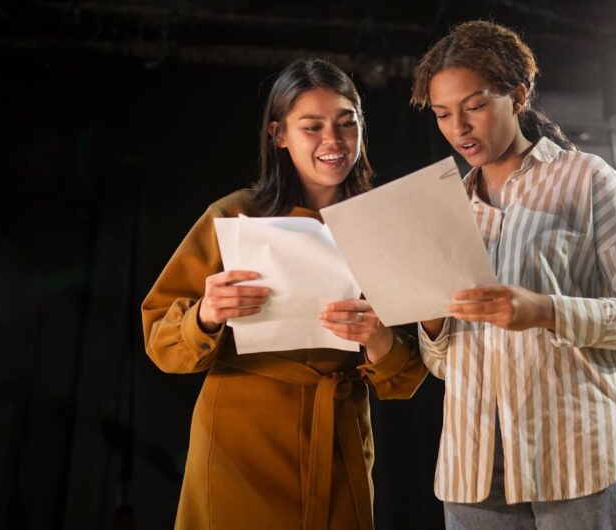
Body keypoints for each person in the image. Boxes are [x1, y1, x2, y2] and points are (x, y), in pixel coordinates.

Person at [142, 58, 427, 530]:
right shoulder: (234, 214)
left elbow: (408, 377)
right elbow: (161, 343)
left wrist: (377, 339)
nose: (332, 141)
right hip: (238, 443)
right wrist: (205, 314)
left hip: (337, 440)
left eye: (345, 123)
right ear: (278, 134)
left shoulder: (383, 224)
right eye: (311, 127)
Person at [412, 21, 616, 529]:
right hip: (475, 470)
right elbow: (443, 365)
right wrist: (433, 324)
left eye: (475, 106)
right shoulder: (445, 211)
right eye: (443, 115)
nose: (458, 129)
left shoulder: (586, 179)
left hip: (578, 457)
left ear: (519, 95)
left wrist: (545, 310)